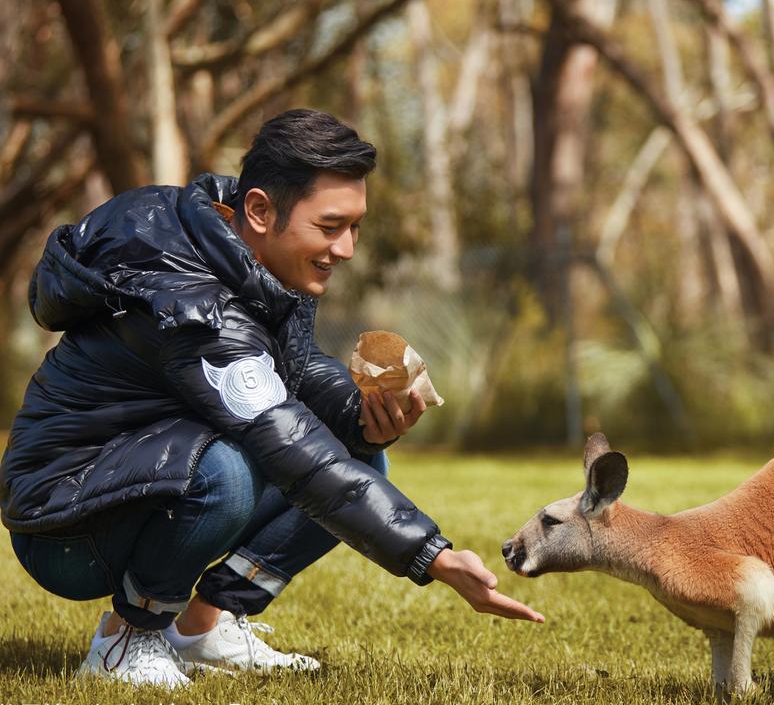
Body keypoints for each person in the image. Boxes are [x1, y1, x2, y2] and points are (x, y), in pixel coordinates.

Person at [0, 109, 543, 688]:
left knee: (354, 452)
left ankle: (204, 624)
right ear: (259, 210)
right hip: (63, 524)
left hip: (139, 480)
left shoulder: (251, 258)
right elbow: (290, 447)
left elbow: (293, 367)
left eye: (356, 227)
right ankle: (126, 638)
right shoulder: (191, 305)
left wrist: (357, 417)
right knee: (225, 475)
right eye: (331, 226)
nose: (348, 248)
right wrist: (430, 554)